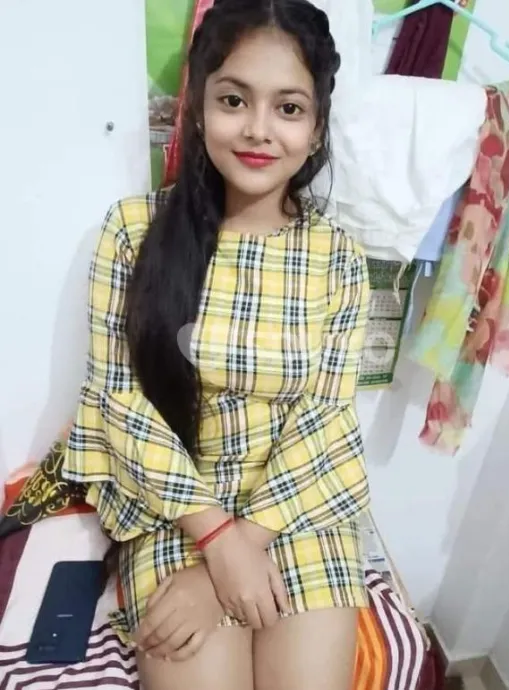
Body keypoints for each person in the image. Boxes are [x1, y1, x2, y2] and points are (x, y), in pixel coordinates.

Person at [63, 1, 371, 688]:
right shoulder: (132, 231)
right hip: (175, 506)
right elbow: (119, 399)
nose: (258, 129)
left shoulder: (339, 258)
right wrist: (215, 540)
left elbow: (326, 416)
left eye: (288, 108)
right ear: (200, 109)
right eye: (234, 100)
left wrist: (241, 546)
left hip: (296, 508)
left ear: (317, 127)